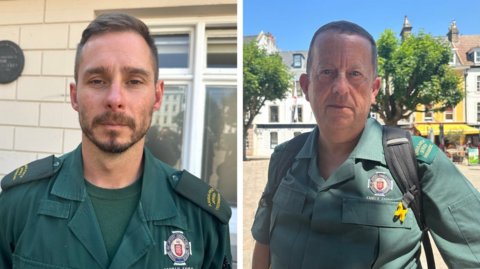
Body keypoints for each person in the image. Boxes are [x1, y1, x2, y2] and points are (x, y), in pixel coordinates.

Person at [0, 12, 232, 268]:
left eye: (134, 81)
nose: (115, 98)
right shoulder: (16, 205)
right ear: (75, 97)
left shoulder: (202, 218)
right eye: (97, 80)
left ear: (157, 97)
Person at [251, 21, 480, 268]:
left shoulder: (419, 164)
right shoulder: (284, 159)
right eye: (326, 71)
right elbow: (263, 245)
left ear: (374, 89)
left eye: (355, 74)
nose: (340, 87)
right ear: (306, 86)